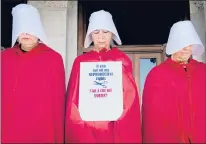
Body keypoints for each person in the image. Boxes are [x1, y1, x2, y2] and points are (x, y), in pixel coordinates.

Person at [65, 10, 142, 143]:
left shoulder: (122, 60)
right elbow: (73, 99)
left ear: (112, 33)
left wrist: (120, 122)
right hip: (87, 128)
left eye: (105, 32)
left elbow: (130, 98)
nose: (101, 37)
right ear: (90, 35)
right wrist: (80, 128)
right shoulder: (81, 61)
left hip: (113, 129)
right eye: (96, 32)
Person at [1, 4, 66, 143]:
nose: (26, 34)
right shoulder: (4, 58)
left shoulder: (53, 59)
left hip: (41, 130)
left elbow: (58, 103)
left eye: (30, 29)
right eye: (22, 29)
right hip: (10, 129)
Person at [142, 20, 206, 143]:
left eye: (190, 44)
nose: (187, 49)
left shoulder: (203, 71)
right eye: (182, 44)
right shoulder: (156, 75)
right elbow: (152, 120)